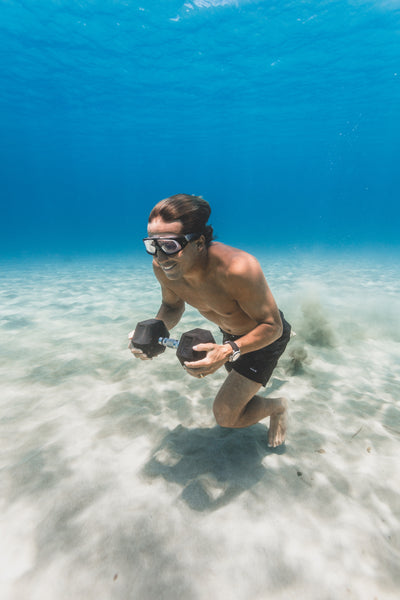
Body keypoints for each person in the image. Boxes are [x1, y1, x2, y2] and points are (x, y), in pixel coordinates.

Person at [129, 194, 291, 447]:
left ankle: (278, 407)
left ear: (199, 242)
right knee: (238, 388)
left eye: (170, 245)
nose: (160, 257)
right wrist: (152, 331)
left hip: (264, 337)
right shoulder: (163, 268)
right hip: (229, 337)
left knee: (226, 415)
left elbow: (274, 327)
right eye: (153, 245)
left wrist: (229, 350)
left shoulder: (238, 268)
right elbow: (172, 306)